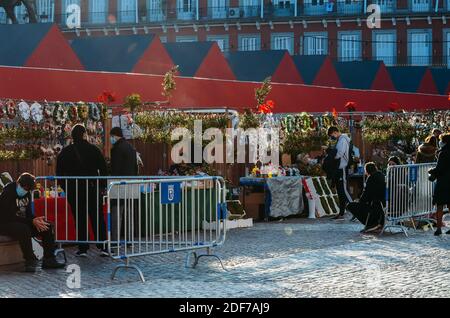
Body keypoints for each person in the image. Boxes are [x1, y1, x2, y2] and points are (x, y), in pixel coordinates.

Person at [56, 124, 108, 257]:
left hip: (74, 190)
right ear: (85, 134)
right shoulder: (94, 150)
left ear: (72, 136)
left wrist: (66, 187)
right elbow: (103, 169)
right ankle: (103, 246)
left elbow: (59, 173)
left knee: (80, 218)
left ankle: (83, 248)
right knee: (97, 217)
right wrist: (102, 186)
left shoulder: (66, 152)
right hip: (92, 188)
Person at [0, 173, 65, 272]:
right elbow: (8, 216)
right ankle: (29, 261)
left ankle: (49, 259)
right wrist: (31, 221)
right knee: (23, 229)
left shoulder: (27, 193)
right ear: (18, 183)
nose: (25, 191)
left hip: (21, 221)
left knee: (47, 226)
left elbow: (28, 213)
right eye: (24, 188)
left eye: (28, 189)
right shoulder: (7, 192)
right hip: (5, 223)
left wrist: (37, 220)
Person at [109, 127, 138, 243]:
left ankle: (115, 240)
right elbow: (135, 167)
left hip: (119, 185)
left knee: (117, 214)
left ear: (115, 136)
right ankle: (129, 239)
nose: (111, 139)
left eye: (111, 137)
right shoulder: (131, 148)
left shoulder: (117, 149)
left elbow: (115, 168)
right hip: (130, 184)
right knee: (129, 214)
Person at [347, 163, 386, 233]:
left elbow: (365, 196)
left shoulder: (371, 178)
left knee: (350, 206)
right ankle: (375, 223)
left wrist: (359, 201)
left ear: (367, 171)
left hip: (375, 207)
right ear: (375, 168)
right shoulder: (382, 175)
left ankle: (371, 223)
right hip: (382, 205)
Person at [327, 126, 353, 220]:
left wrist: (332, 156)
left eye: (332, 135)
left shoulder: (342, 140)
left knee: (344, 191)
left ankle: (356, 210)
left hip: (342, 168)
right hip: (339, 168)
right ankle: (341, 213)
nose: (332, 137)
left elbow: (340, 153)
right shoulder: (340, 140)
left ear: (335, 132)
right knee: (340, 191)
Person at [428, 133, 450, 236]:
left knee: (440, 205)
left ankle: (439, 228)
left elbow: (439, 168)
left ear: (444, 142)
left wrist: (431, 171)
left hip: (443, 182)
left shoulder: (443, 153)